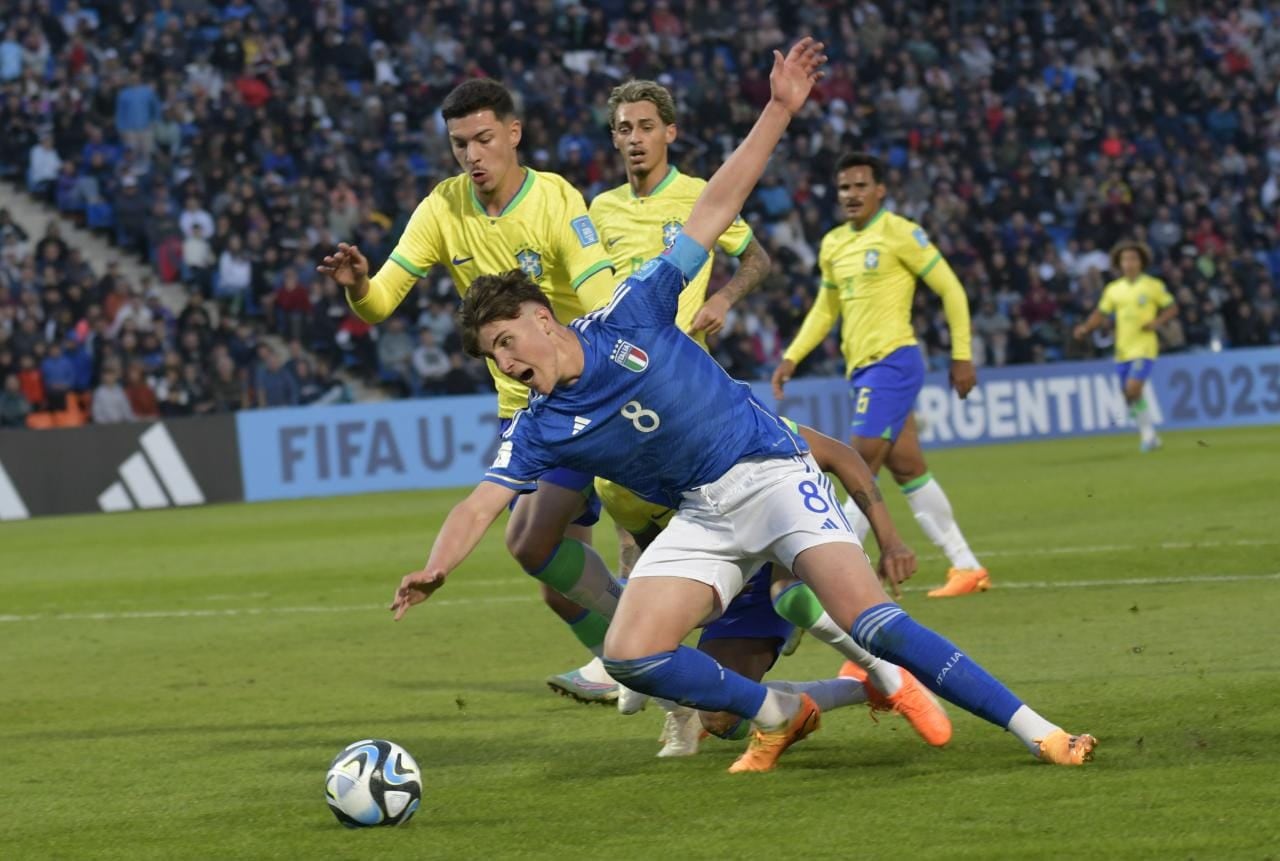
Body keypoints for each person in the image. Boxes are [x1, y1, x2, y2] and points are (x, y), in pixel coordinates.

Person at [391, 39, 1095, 773]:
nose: (506, 364)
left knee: (872, 620)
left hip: (772, 475)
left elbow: (716, 205)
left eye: (508, 342)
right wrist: (436, 567)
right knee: (631, 655)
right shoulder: (541, 424)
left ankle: (1038, 729)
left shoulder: (633, 312)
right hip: (704, 512)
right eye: (492, 356)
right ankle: (781, 709)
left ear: (543, 318)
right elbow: (480, 504)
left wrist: (780, 109)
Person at [318, 79, 618, 683]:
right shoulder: (443, 208)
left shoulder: (555, 199)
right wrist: (357, 285)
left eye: (483, 139)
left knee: (531, 543)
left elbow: (602, 299)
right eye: (459, 144)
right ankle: (637, 659)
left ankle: (645, 649)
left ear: (513, 133)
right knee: (559, 588)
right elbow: (380, 304)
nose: (472, 155)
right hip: (521, 410)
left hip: (581, 395)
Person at [546, 78, 775, 704]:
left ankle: (655, 665)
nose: (635, 139)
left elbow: (758, 259)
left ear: (669, 132)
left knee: (696, 543)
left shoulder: (699, 197)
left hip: (689, 398)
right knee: (629, 530)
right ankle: (651, 676)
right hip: (620, 395)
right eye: (623, 129)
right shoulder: (599, 211)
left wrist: (724, 298)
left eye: (646, 126)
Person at [771, 153, 990, 599]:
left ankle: (833, 578)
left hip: (893, 362)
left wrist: (962, 355)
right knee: (908, 468)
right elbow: (825, 308)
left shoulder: (901, 234)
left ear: (879, 191)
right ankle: (966, 567)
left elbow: (951, 289)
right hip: (863, 369)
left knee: (857, 461)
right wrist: (793, 355)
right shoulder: (833, 243)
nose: (851, 195)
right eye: (844, 188)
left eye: (859, 186)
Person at [1073, 241, 1177, 452]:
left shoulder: (1152, 285)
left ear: (1141, 262)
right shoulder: (1114, 290)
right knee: (1131, 394)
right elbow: (1100, 314)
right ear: (1119, 263)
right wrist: (1085, 328)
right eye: (1125, 259)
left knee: (1132, 389)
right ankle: (1150, 436)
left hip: (1145, 347)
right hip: (1122, 349)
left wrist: (1156, 322)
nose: (1129, 263)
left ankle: (1147, 433)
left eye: (1133, 259)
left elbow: (1172, 308)